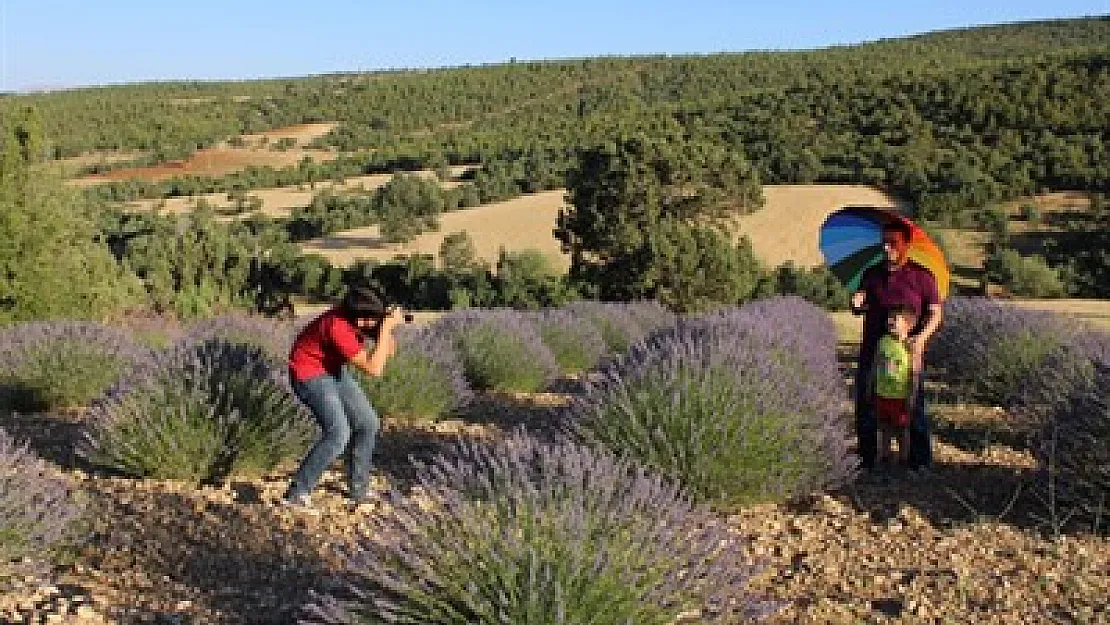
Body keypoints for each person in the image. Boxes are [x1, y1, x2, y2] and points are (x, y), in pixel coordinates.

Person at [282, 284, 405, 508]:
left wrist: (383, 330)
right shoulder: (337, 326)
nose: (370, 323)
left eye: (375, 317)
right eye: (367, 318)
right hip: (308, 373)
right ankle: (297, 493)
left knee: (368, 423)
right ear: (354, 314)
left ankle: (359, 490)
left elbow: (389, 350)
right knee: (338, 433)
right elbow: (374, 369)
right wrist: (385, 328)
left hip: (332, 370)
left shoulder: (358, 320)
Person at [850, 220, 943, 475]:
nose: (886, 247)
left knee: (912, 406)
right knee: (867, 403)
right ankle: (867, 460)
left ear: (906, 245)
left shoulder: (922, 277)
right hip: (873, 350)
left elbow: (935, 314)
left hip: (908, 354)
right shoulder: (872, 274)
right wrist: (857, 302)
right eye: (884, 242)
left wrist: (921, 338)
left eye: (893, 243)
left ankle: (918, 462)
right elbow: (860, 305)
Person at [871, 304, 920, 469]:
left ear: (908, 324)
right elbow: (876, 365)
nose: (889, 321)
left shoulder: (911, 346)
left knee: (901, 430)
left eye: (895, 319)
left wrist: (911, 396)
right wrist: (870, 385)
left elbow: (914, 374)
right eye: (889, 318)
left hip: (900, 397)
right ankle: (884, 455)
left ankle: (903, 459)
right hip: (882, 394)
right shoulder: (883, 342)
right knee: (883, 427)